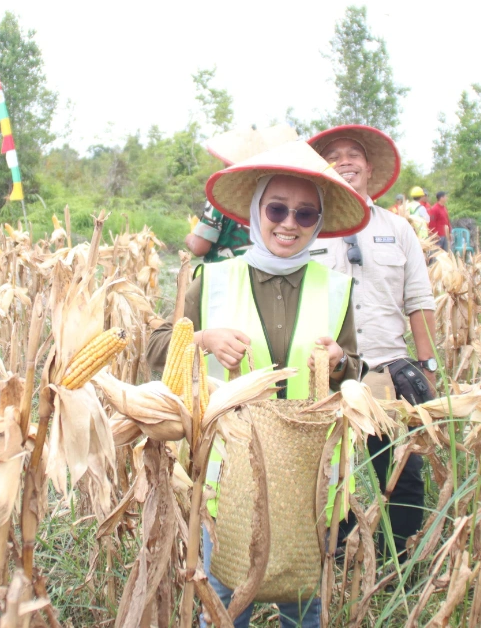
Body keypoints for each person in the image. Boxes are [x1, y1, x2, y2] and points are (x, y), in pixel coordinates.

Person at [148, 140, 370, 628]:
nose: (289, 223)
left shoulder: (336, 288)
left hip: (307, 471)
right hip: (229, 472)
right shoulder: (214, 279)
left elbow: (355, 368)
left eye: (305, 213)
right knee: (225, 600)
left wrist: (339, 363)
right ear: (255, 211)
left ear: (317, 223)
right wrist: (203, 339)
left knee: (304, 604)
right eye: (277, 209)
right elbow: (157, 347)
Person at [306, 124, 438, 563]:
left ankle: (399, 562)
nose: (344, 162)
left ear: (369, 167)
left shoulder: (398, 229)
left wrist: (428, 367)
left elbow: (419, 301)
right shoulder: (306, 226)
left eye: (353, 155)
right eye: (333, 156)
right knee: (327, 472)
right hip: (326, 371)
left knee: (402, 472)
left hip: (386, 369)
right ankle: (339, 559)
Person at [187, 125, 299, 262]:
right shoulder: (272, 196)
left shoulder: (221, 195)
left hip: (224, 272)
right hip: (262, 271)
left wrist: (189, 239)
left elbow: (200, 248)